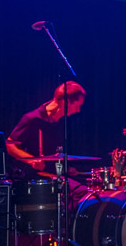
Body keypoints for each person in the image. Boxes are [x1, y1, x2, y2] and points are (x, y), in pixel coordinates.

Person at [6, 80, 89, 209]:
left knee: (85, 191)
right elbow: (9, 145)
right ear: (66, 102)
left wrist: (67, 169)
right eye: (77, 106)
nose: (78, 110)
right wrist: (31, 161)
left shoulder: (61, 123)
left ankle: (66, 220)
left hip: (52, 173)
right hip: (33, 175)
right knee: (79, 192)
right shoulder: (32, 119)